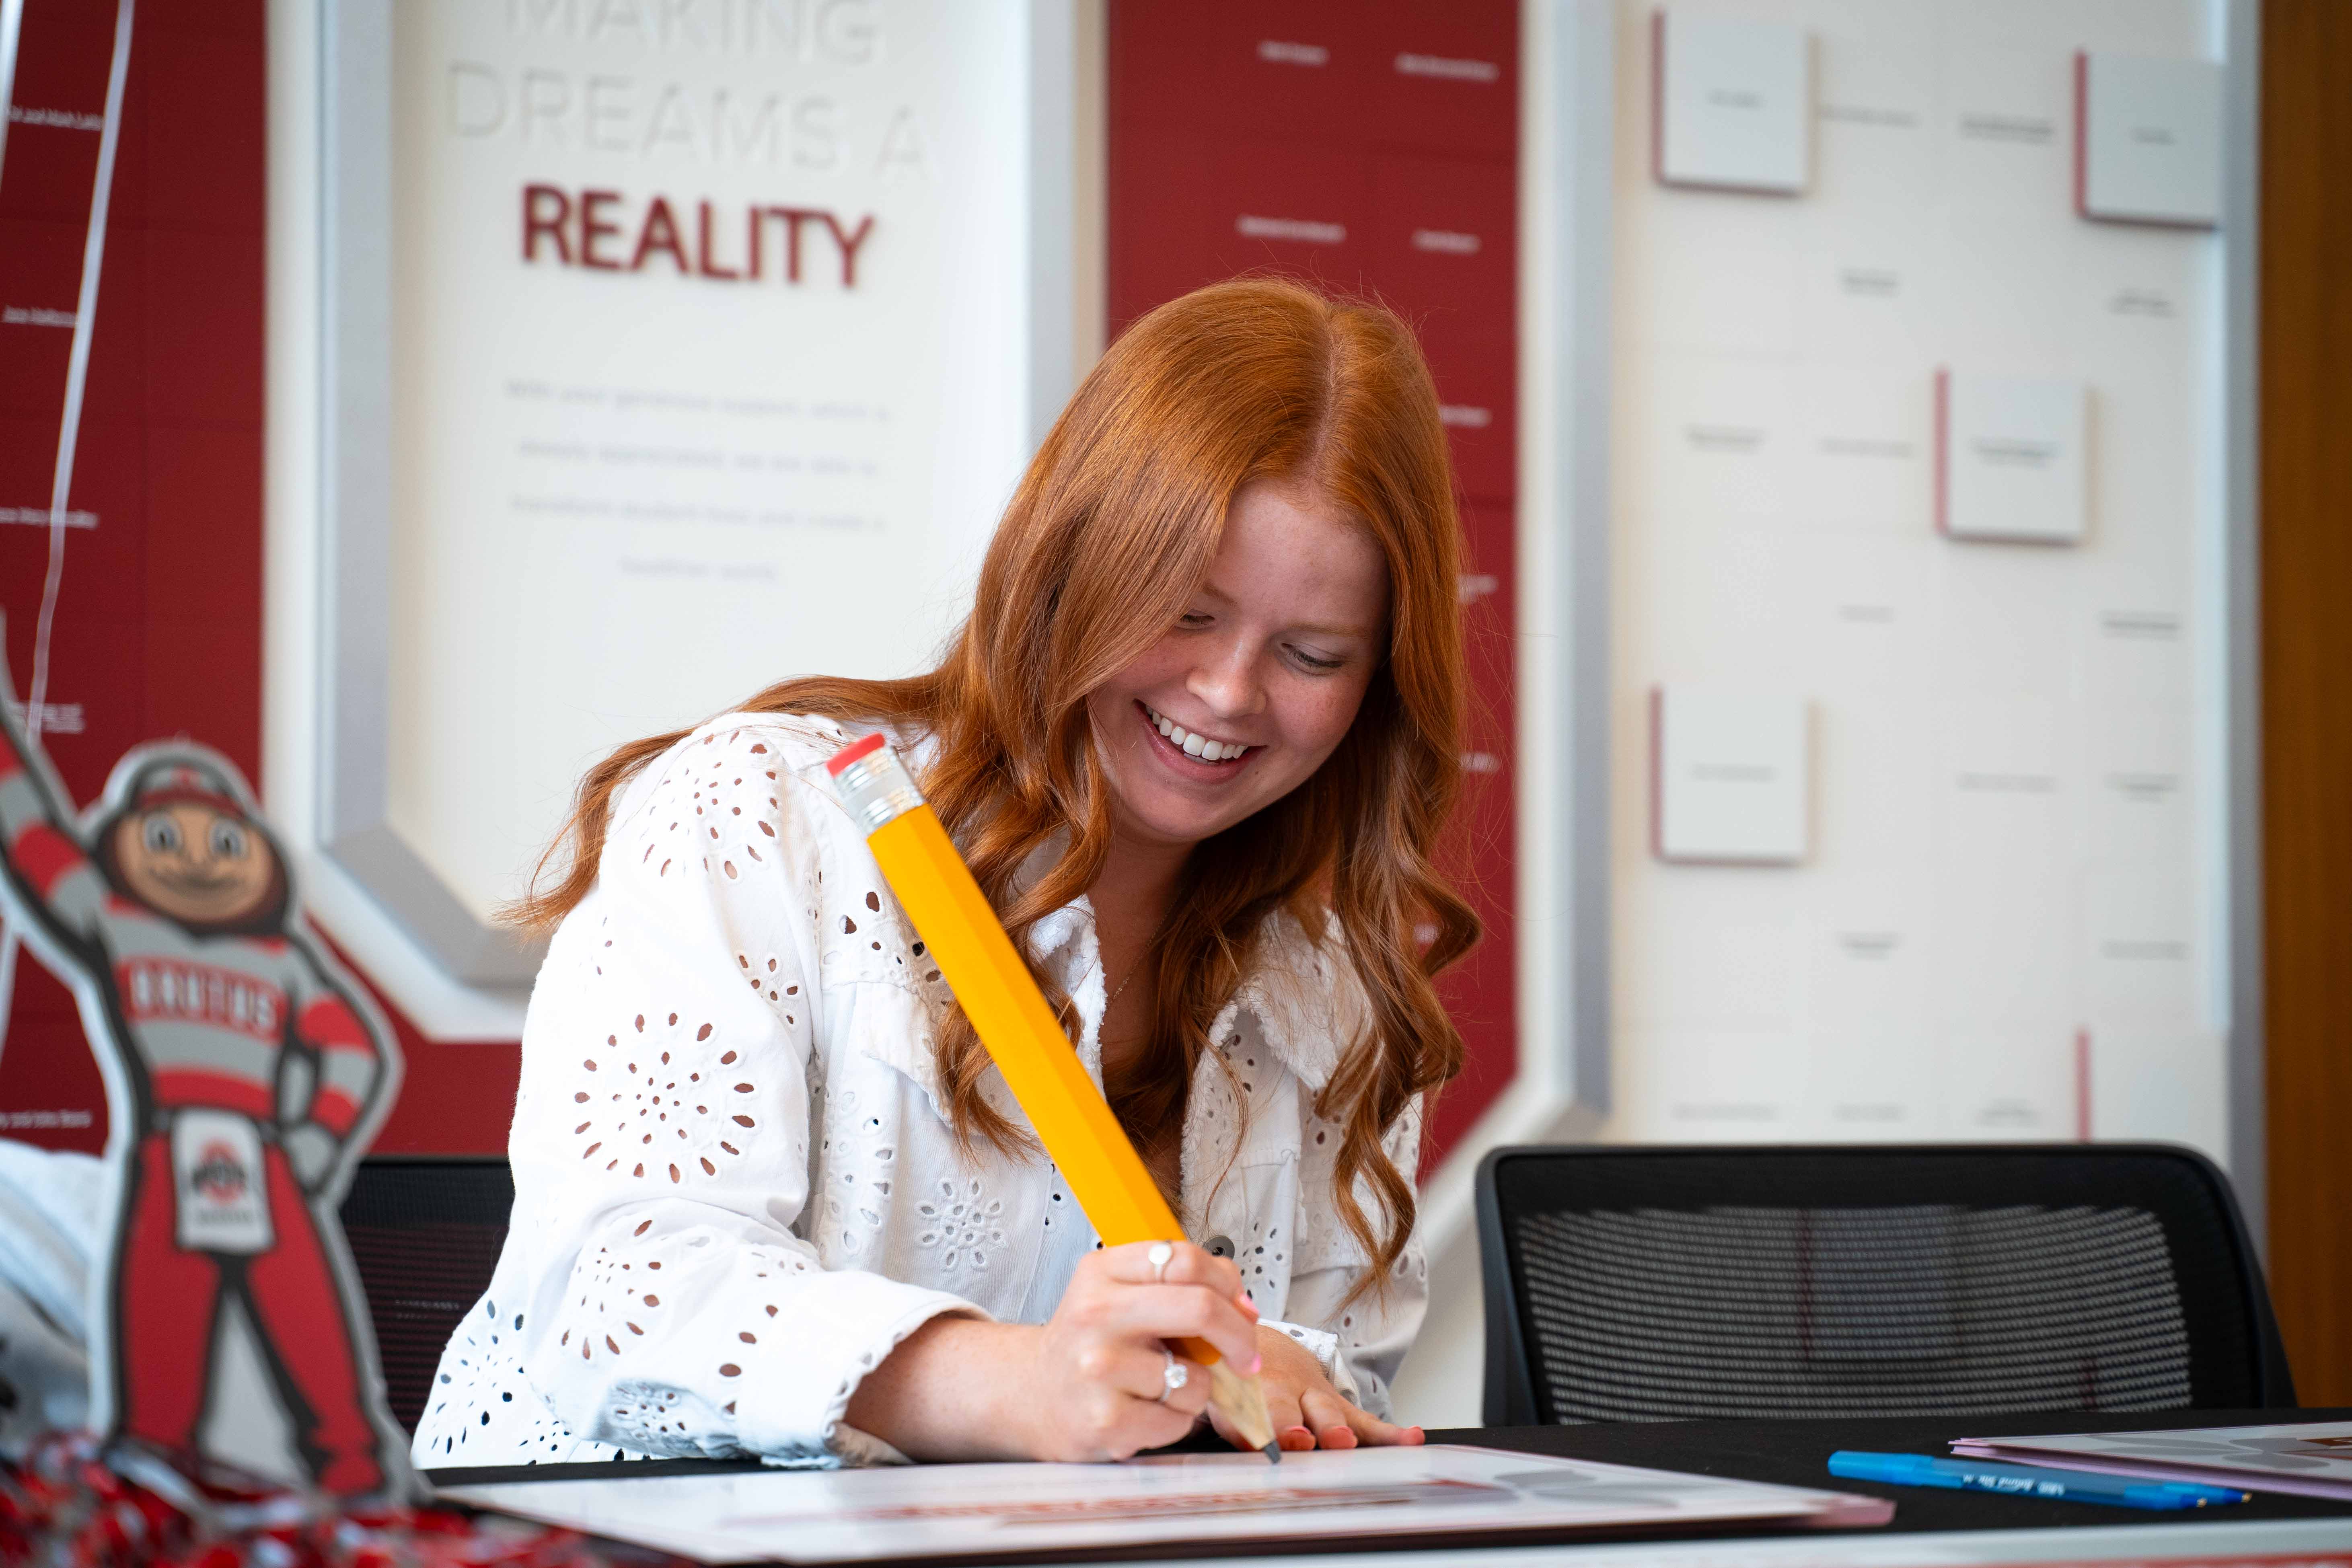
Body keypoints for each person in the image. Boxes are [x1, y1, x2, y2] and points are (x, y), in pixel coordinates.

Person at [412, 278, 1479, 1468]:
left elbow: (1334, 1359)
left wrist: (1285, 1377)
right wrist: (1013, 1381)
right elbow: (623, 1286)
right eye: (1183, 612)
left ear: (1379, 683)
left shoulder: (1330, 990)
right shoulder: (760, 816)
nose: (1229, 692)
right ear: (1070, 568)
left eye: (1310, 653)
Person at [0, 680, 401, 1493]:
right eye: (164, 839)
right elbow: (34, 838)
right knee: (157, 1367)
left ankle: (362, 1493)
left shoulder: (284, 962)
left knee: (320, 1353)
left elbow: (352, 1048)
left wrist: (320, 1133)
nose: (191, 859)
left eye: (219, 844)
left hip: (268, 1156)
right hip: (164, 1148)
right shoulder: (117, 922)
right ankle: (155, 1496)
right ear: (123, 848)